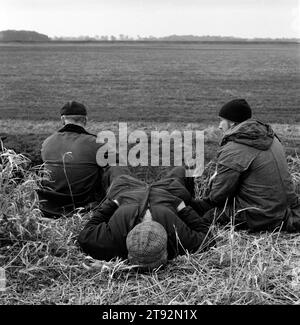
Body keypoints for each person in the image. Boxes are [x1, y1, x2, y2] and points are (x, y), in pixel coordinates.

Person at [78, 166, 215, 270]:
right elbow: (207, 235)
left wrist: (112, 203)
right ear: (167, 251)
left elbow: (86, 232)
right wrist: (183, 207)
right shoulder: (178, 237)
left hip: (127, 191)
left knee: (115, 168)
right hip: (168, 192)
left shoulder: (112, 239)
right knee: (181, 170)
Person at [194, 99, 300, 232]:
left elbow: (218, 196)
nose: (219, 126)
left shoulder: (234, 149)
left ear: (232, 123)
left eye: (221, 120)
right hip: (289, 208)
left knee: (207, 217)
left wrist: (212, 183)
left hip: (263, 214)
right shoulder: (270, 137)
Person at [38, 101, 115, 218]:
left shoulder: (47, 142)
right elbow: (120, 167)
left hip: (49, 208)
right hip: (85, 209)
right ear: (85, 120)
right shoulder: (97, 143)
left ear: (63, 120)